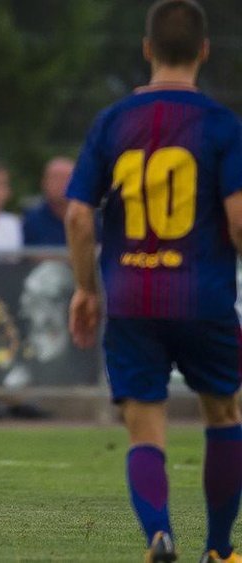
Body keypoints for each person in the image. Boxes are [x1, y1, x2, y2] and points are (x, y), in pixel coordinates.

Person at [66, 2, 242, 560]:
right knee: (225, 415)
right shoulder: (221, 125)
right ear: (204, 51)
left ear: (147, 50)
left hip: (133, 298)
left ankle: (159, 536)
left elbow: (76, 214)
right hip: (204, 297)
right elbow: (238, 219)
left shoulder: (113, 121)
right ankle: (217, 549)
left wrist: (87, 288)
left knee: (146, 431)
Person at [23, 157, 75, 246]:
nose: (61, 183)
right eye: (55, 178)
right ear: (43, 182)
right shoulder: (30, 221)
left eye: (66, 178)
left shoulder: (92, 220)